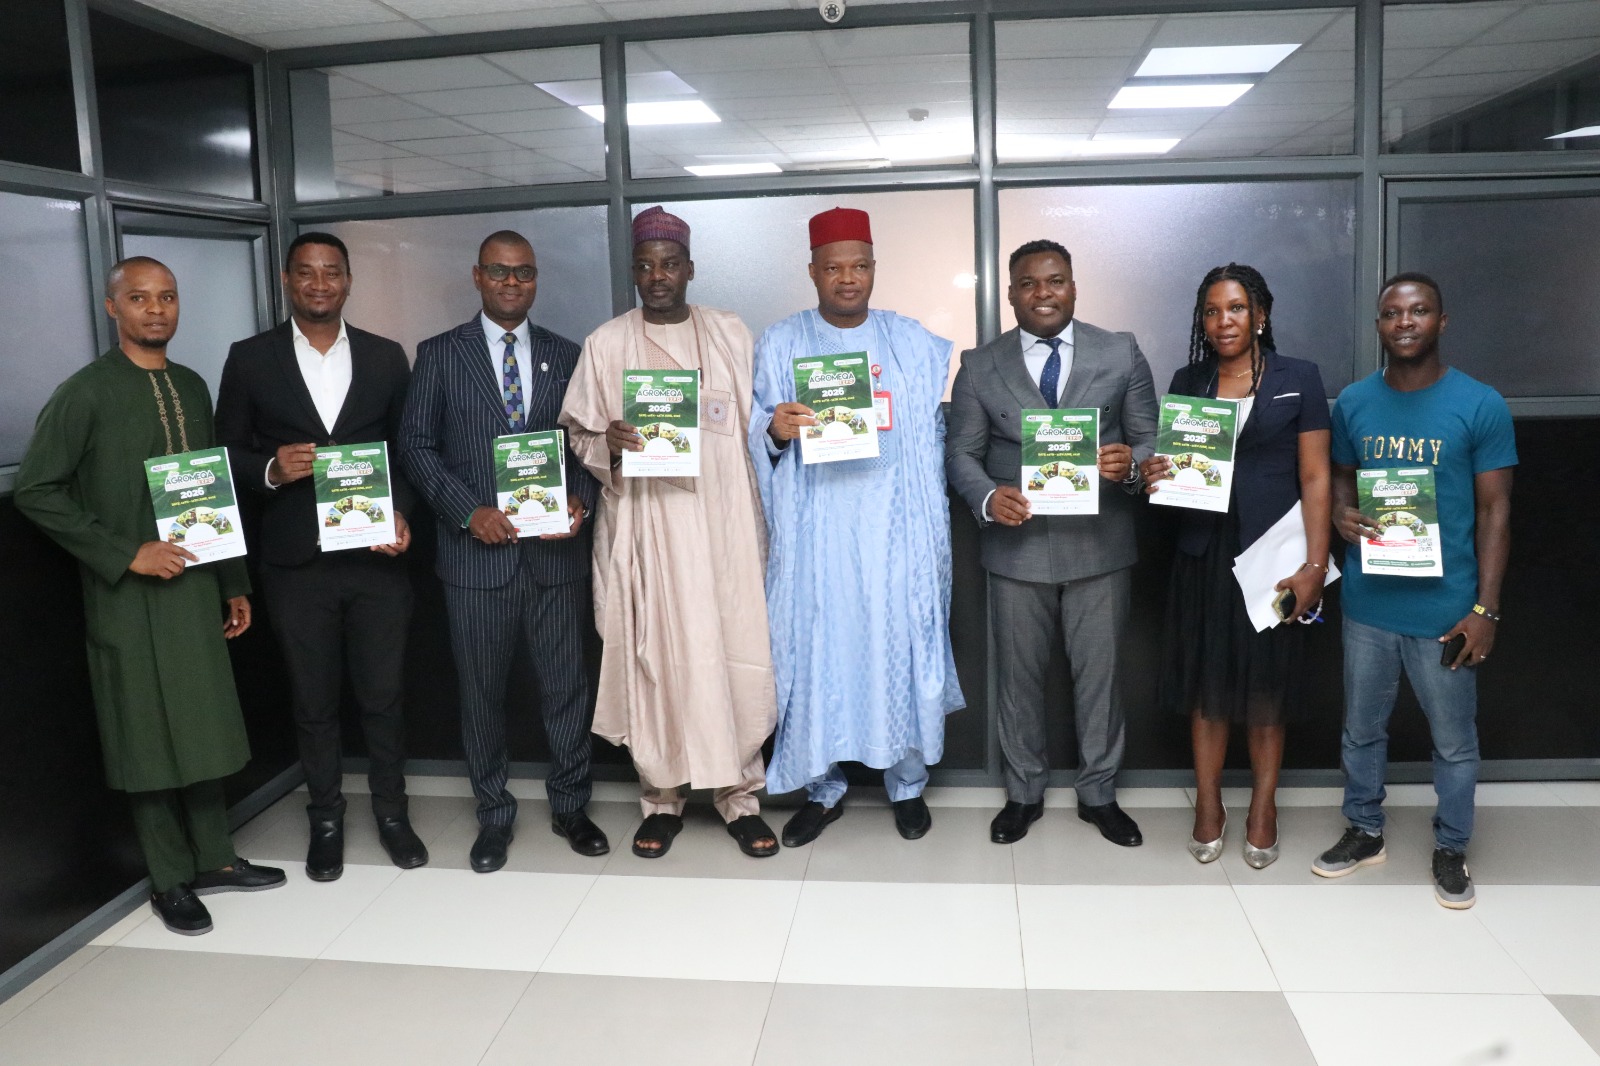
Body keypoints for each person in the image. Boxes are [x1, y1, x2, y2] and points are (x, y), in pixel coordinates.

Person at [15, 257, 285, 935]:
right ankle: (169, 879)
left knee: (202, 726)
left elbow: (209, 490)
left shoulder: (191, 385)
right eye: (139, 298)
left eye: (167, 297)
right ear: (114, 308)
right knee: (148, 737)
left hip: (195, 589)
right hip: (128, 601)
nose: (156, 309)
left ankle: (216, 858)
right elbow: (37, 490)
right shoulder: (85, 392)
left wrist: (232, 581)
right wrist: (125, 552)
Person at [559, 207, 779, 859]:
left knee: (735, 653)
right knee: (654, 657)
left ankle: (740, 796)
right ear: (634, 272)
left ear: (690, 269)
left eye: (670, 264)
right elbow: (580, 436)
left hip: (724, 528)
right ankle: (661, 799)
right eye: (646, 266)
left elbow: (761, 423)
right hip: (649, 531)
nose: (658, 276)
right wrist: (611, 442)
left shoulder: (729, 333)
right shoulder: (607, 343)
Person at [751, 206, 964, 847]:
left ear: (874, 269)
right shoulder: (782, 343)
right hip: (819, 537)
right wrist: (774, 430)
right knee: (820, 656)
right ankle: (823, 788)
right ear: (812, 271)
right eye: (834, 268)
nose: (848, 279)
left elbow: (935, 432)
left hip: (896, 533)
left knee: (902, 647)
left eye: (860, 266)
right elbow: (755, 434)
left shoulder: (910, 341)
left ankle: (908, 785)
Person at [215, 232, 425, 882]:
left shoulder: (386, 357)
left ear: (348, 280)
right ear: (287, 280)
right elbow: (225, 453)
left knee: (384, 696)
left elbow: (409, 451)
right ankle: (326, 819)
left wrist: (402, 514)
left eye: (332, 272)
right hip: (295, 561)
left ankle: (392, 815)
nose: (319, 283)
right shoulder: (251, 358)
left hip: (374, 556)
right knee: (313, 703)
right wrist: (271, 469)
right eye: (306, 272)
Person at [399, 230, 606, 872]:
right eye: (499, 271)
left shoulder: (567, 355)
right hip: (475, 561)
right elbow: (415, 447)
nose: (512, 283)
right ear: (477, 276)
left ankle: (571, 806)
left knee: (567, 688)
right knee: (481, 693)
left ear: (535, 279)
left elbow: (584, 446)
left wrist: (580, 503)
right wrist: (468, 512)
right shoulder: (439, 355)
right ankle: (493, 815)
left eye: (523, 273)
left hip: (553, 558)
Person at [1312, 273, 1514, 910]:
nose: (1405, 322)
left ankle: (1451, 846)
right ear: (1378, 325)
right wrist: (1341, 514)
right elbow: (1341, 478)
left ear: (1441, 321)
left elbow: (1496, 512)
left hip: (1446, 610)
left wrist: (1485, 609)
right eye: (1393, 313)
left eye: (1419, 310)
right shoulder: (1354, 402)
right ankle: (1364, 830)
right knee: (1361, 732)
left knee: (1453, 743)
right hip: (1368, 604)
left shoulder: (1480, 404)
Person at [945, 238, 1156, 847]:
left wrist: (1130, 463)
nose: (1044, 293)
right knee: (1017, 682)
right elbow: (961, 453)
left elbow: (1151, 438)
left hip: (1100, 545)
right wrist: (989, 497)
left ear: (1073, 287)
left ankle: (1100, 795)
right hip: (1017, 548)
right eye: (1029, 283)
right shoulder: (980, 364)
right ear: (1011, 295)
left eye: (1055, 280)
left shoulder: (1120, 351)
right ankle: (1023, 793)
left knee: (1101, 680)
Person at [1138, 264, 1331, 869]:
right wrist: (1155, 475)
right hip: (1204, 553)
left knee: (1267, 688)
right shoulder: (1188, 380)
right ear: (1203, 321)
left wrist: (1315, 565)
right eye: (1213, 310)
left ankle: (1263, 809)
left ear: (1260, 315)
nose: (1225, 321)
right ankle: (1209, 806)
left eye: (1238, 308)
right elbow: (1174, 469)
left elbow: (1316, 477)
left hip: (1274, 554)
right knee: (1207, 687)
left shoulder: (1300, 377)